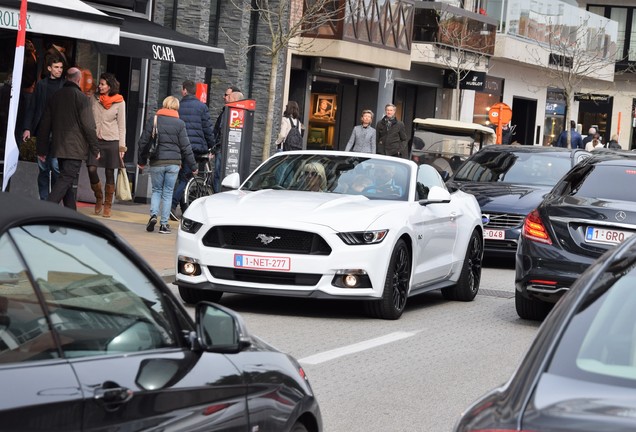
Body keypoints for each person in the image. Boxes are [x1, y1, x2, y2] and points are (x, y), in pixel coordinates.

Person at [36, 67, 100, 209]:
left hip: (58, 146)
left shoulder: (55, 96)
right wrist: (95, 148)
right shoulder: (82, 98)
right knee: (65, 179)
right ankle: (47, 210)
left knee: (66, 181)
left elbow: (45, 124)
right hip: (75, 148)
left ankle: (71, 216)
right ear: (78, 80)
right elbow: (89, 126)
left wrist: (41, 148)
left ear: (66, 78)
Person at [138, 96, 198, 234]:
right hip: (173, 164)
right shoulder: (180, 124)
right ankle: (164, 225)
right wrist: (193, 166)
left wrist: (141, 161)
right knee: (168, 193)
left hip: (157, 162)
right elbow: (186, 147)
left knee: (157, 190)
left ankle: (153, 215)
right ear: (176, 107)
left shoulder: (154, 120)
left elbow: (143, 142)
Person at [171, 80, 215, 221]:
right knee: (186, 177)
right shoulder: (202, 107)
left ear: (184, 90)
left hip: (179, 147)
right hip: (195, 148)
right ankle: (173, 206)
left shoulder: (178, 106)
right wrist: (212, 146)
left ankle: (177, 206)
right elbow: (207, 129)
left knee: (181, 177)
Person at [23, 56, 65, 200]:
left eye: (60, 67)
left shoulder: (65, 85)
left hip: (58, 133)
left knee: (55, 167)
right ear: (49, 68)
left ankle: (54, 199)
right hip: (42, 132)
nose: (59, 70)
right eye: (56, 67)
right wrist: (27, 128)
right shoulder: (41, 84)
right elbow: (32, 107)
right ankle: (44, 199)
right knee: (43, 169)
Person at [87, 73, 126, 218]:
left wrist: (122, 147)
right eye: (100, 84)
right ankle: (99, 197)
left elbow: (122, 126)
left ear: (110, 86)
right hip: (95, 139)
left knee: (110, 173)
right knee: (91, 168)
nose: (100, 86)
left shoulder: (120, 102)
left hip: (112, 140)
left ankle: (108, 205)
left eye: (103, 84)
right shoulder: (94, 99)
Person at [212, 85, 241, 192]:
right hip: (223, 149)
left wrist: (216, 147)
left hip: (223, 149)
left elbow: (221, 131)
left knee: (219, 176)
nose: (224, 97)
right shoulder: (226, 111)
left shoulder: (230, 112)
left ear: (233, 97)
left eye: (226, 95)